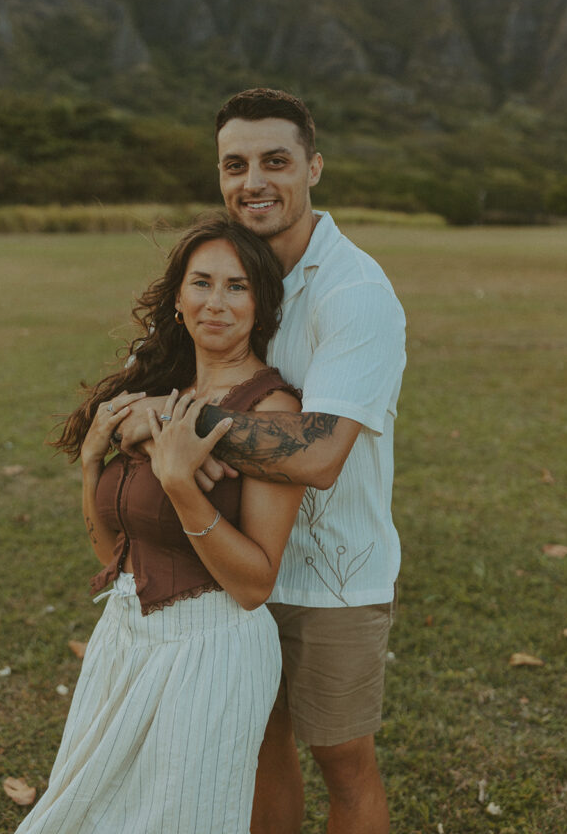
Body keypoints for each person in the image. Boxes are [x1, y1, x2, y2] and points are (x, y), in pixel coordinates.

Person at [116, 88, 407, 834]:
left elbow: (318, 456)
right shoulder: (227, 271)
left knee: (342, 761)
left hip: (331, 574)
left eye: (274, 161)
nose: (254, 181)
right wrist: (137, 411)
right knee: (255, 745)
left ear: (313, 166)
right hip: (230, 559)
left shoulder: (355, 293)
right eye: (235, 164)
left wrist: (175, 422)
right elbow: (136, 387)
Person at [14, 215, 305, 834]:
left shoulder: (272, 411)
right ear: (178, 296)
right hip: (123, 639)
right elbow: (111, 546)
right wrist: (92, 462)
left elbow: (255, 586)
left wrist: (180, 485)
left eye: (238, 287)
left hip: (210, 654)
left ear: (262, 304)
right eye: (202, 283)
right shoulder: (157, 390)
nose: (216, 303)